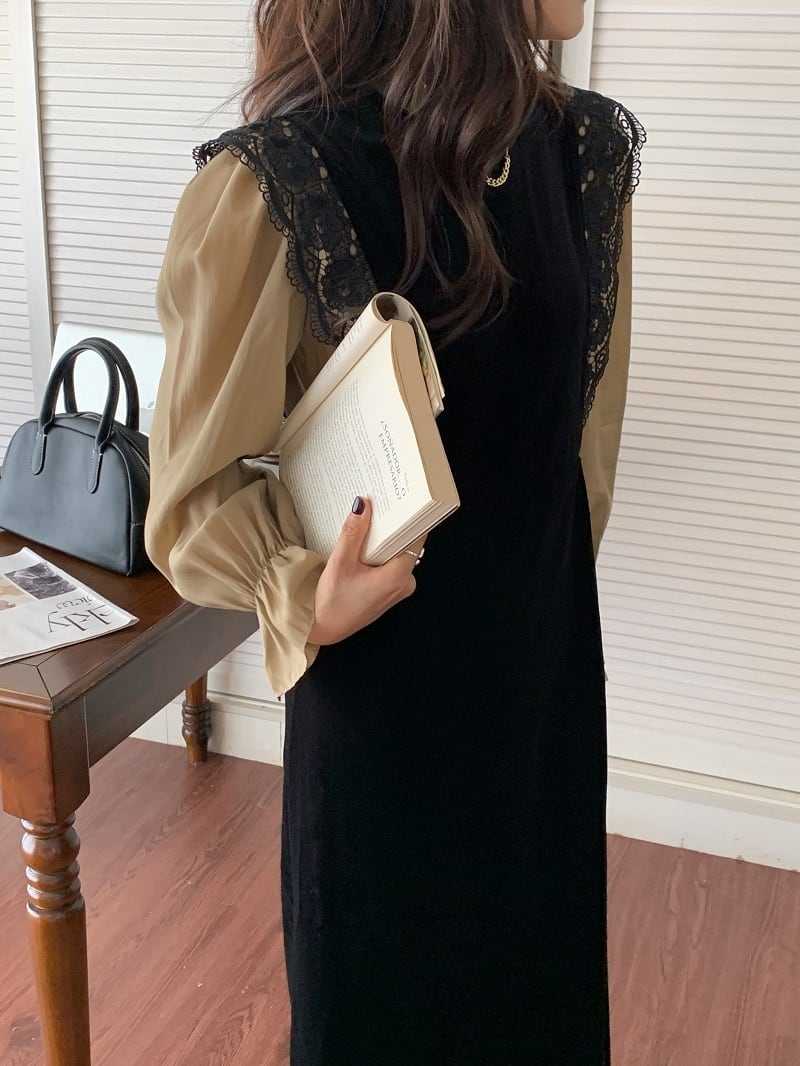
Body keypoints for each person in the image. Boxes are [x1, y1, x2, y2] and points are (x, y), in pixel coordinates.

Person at [145, 0, 644, 1061]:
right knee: (386, 1008)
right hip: (384, 706)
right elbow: (192, 496)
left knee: (538, 988)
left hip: (544, 681)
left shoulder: (585, 153)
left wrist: (538, 591)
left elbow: (582, 439)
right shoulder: (278, 182)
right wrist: (299, 595)